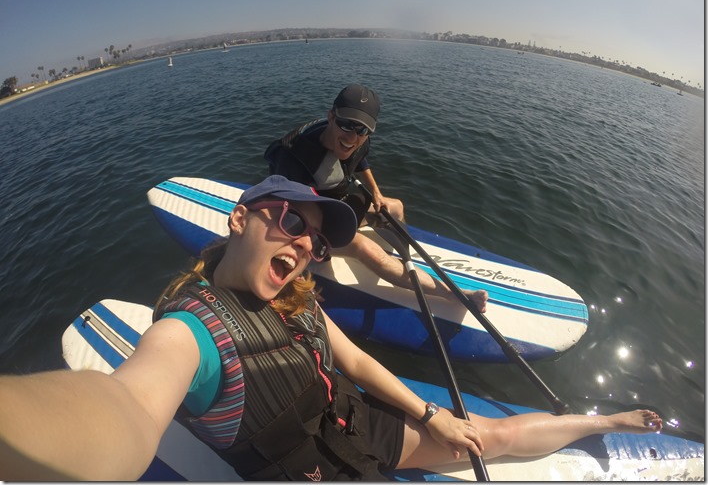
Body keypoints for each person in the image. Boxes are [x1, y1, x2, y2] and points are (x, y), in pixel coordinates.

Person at [0, 176, 663, 481]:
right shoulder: (186, 335)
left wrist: (429, 412)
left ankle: (606, 423)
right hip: (310, 470)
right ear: (240, 218)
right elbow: (121, 409)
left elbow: (357, 363)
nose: (303, 247)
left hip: (356, 426)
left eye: (315, 242)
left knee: (492, 435)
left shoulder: (299, 299)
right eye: (291, 222)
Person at [265, 84, 489, 311]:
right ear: (331, 117)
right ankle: (456, 295)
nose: (352, 137)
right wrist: (296, 279)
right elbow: (281, 218)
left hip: (335, 207)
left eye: (362, 130)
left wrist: (377, 193)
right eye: (346, 125)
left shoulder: (360, 137)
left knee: (395, 207)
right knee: (366, 248)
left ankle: (404, 265)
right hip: (310, 228)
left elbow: (361, 161)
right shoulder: (294, 158)